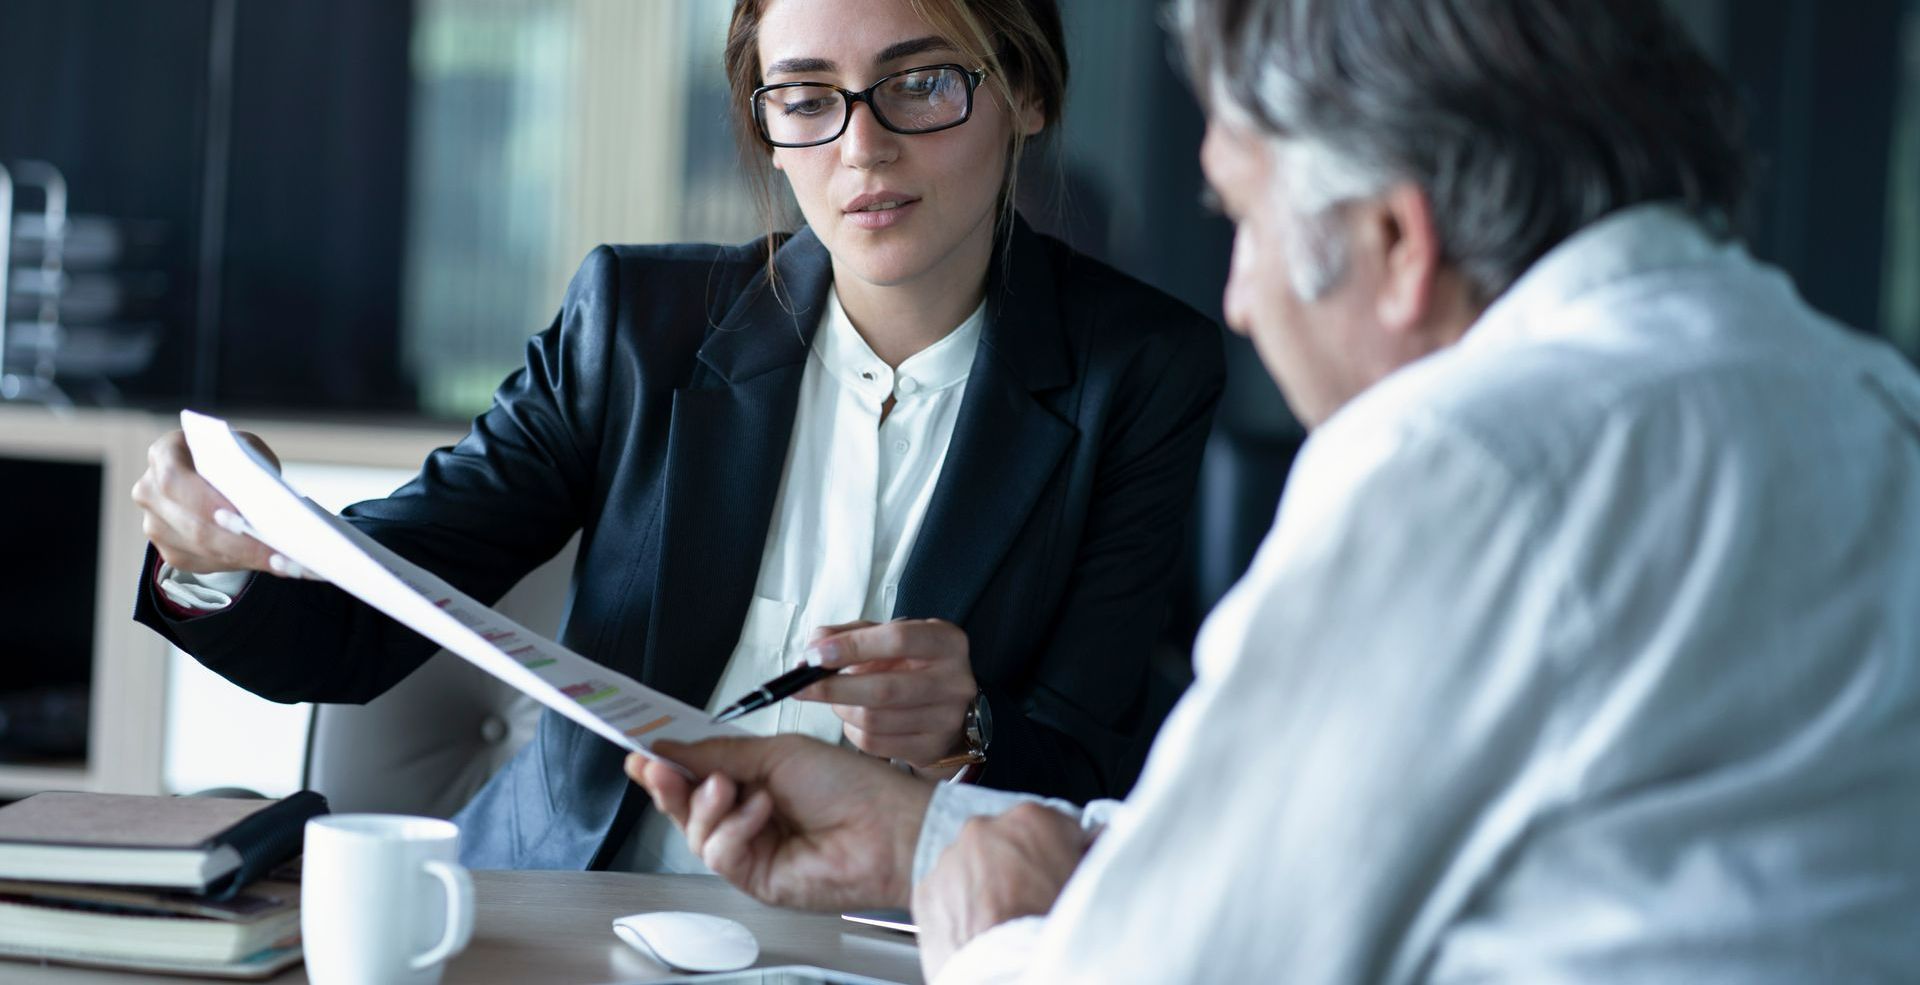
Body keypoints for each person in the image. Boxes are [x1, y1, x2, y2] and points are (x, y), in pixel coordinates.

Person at [628, 0, 1920, 979]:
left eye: (1245, 220)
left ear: (1396, 244)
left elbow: (1181, 967)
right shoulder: (1860, 400)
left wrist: (988, 937)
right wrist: (923, 837)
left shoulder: (1461, 465)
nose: (1238, 300)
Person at [130, 0, 1224, 872]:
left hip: (897, 940)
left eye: (922, 82)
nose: (864, 148)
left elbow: (1098, 768)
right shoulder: (635, 326)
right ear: (766, 124)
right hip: (573, 914)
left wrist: (968, 728)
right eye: (806, 97)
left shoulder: (1140, 371)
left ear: (1025, 92)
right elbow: (360, 625)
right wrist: (211, 551)